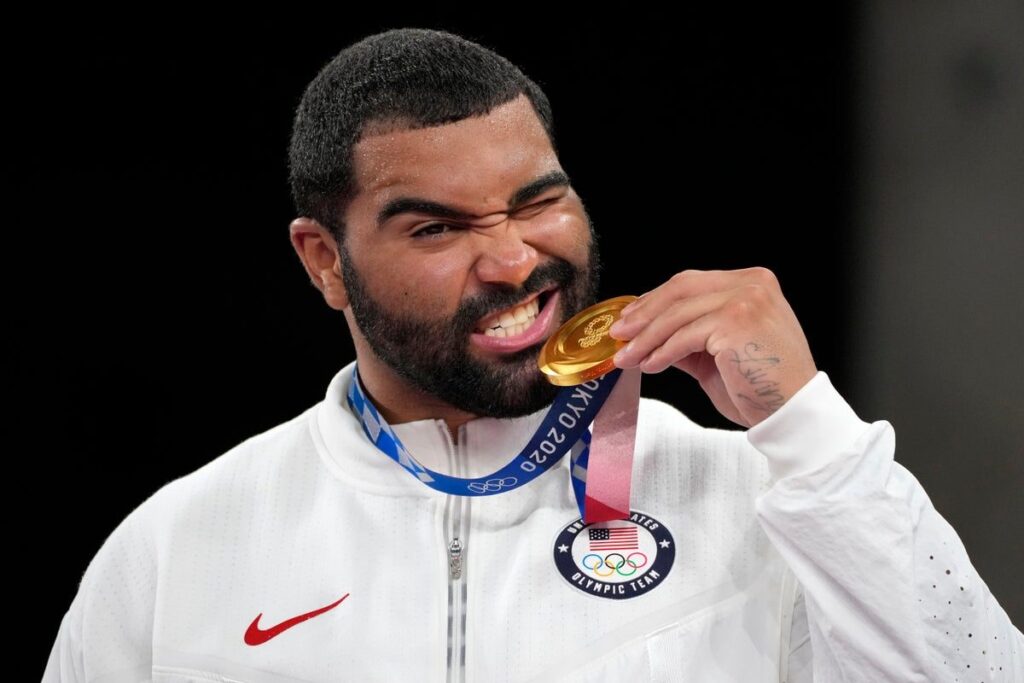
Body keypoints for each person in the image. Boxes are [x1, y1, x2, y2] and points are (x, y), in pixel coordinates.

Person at [43, 27, 1022, 683]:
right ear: (324, 261)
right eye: (435, 228)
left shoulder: (756, 495)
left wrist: (806, 425)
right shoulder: (180, 548)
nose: (514, 257)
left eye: (536, 200)